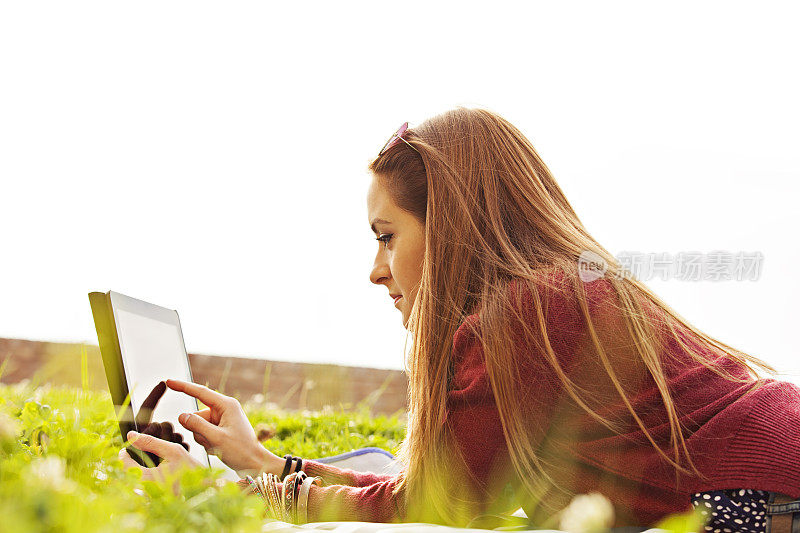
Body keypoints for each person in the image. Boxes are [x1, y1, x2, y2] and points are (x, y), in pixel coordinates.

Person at [120, 107, 800, 532]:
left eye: (387, 236)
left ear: (448, 225)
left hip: (762, 503)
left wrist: (232, 491)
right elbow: (432, 486)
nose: (376, 268)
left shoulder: (525, 315)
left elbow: (426, 506)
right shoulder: (548, 295)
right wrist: (266, 465)